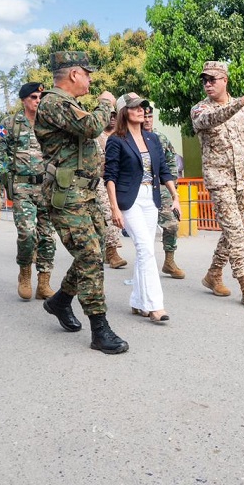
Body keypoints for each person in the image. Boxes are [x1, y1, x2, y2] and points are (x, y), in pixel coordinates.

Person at [34, 51, 128, 354]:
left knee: (95, 252)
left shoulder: (68, 104)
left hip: (85, 193)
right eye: (87, 73)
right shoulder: (53, 102)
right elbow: (91, 127)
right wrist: (106, 103)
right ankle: (99, 329)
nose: (90, 79)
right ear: (74, 74)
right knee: (88, 254)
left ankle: (60, 301)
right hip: (67, 195)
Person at [191, 60, 244, 308]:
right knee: (236, 232)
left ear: (224, 80)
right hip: (218, 180)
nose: (207, 84)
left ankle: (213, 274)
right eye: (204, 80)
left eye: (212, 79)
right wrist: (240, 102)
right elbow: (212, 119)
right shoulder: (199, 110)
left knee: (232, 231)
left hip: (242, 179)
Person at [105, 93, 179, 323]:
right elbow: (110, 176)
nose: (141, 110)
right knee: (146, 248)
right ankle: (154, 305)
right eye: (135, 107)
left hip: (151, 198)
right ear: (123, 112)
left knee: (144, 250)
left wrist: (175, 196)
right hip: (130, 199)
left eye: (143, 107)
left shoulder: (152, 139)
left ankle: (138, 301)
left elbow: (164, 169)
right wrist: (114, 208)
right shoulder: (116, 140)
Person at [0, 82, 57, 300]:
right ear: (24, 99)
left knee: (47, 236)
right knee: (27, 233)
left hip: (48, 187)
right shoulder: (9, 124)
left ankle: (44, 282)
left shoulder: (52, 124)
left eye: (40, 97)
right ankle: (25, 274)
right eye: (33, 97)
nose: (37, 101)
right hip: (22, 187)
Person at [142, 103, 185, 279]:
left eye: (150, 117)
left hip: (161, 187)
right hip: (141, 188)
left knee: (172, 223)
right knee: (145, 229)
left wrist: (173, 185)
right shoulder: (133, 138)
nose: (147, 120)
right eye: (144, 117)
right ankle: (146, 264)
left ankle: (169, 261)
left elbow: (172, 161)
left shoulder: (161, 138)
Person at [96, 105, 129, 270]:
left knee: (115, 214)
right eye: (109, 115)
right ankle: (112, 251)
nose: (112, 118)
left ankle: (105, 249)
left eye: (115, 115)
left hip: (118, 180)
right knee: (110, 213)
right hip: (99, 180)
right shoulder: (95, 136)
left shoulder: (122, 136)